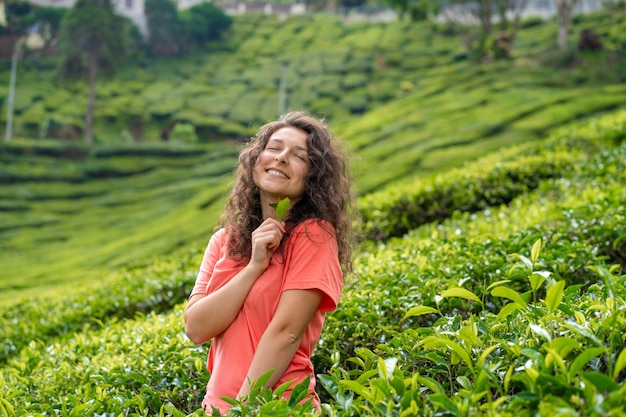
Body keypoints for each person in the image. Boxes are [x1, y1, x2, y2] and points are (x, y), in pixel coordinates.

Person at [184, 111, 359, 415]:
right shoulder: (224, 241)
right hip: (216, 407)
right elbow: (197, 328)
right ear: (256, 160)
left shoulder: (313, 235)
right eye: (274, 148)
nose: (281, 158)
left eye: (299, 156)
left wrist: (245, 409)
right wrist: (254, 266)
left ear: (312, 178)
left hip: (278, 407)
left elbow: (287, 333)